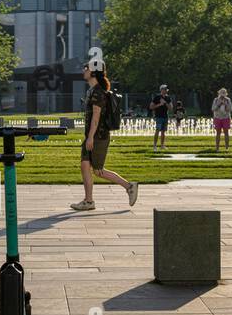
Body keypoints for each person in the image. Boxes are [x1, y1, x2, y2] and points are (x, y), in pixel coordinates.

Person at [70, 62, 139, 211]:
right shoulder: (93, 90)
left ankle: (129, 186)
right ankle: (88, 201)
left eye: (86, 68)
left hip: (98, 137)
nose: (84, 70)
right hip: (93, 135)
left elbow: (96, 117)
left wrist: (90, 138)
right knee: (84, 165)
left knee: (98, 171)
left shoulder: (98, 92)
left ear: (93, 72)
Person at [148, 85, 171, 149]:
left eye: (166, 89)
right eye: (165, 89)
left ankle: (162, 145)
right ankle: (155, 145)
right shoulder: (157, 97)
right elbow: (151, 107)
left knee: (163, 132)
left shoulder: (168, 98)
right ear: (161, 90)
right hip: (158, 116)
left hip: (165, 116)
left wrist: (165, 103)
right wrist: (160, 104)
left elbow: (171, 108)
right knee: (157, 130)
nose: (166, 91)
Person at [211, 87, 232, 152]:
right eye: (221, 93)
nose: (222, 94)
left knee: (226, 132)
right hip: (217, 118)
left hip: (226, 118)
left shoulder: (228, 100)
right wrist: (219, 104)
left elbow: (230, 109)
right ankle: (217, 148)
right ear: (219, 93)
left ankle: (227, 148)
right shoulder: (215, 100)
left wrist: (225, 104)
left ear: (226, 94)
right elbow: (213, 109)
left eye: (224, 93)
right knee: (218, 133)